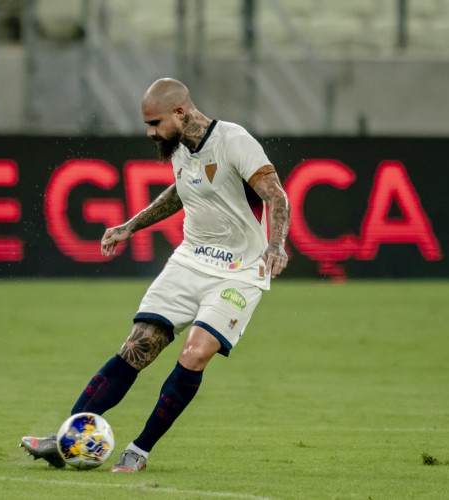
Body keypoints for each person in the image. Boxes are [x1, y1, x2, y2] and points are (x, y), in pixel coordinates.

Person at [20, 77, 290, 472]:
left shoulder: (234, 141)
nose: (149, 132)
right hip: (189, 262)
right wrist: (131, 226)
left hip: (239, 272)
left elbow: (276, 194)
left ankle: (140, 450)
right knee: (136, 348)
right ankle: (66, 439)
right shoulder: (179, 147)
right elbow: (180, 193)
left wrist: (277, 244)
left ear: (180, 113)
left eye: (154, 123)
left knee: (195, 353)